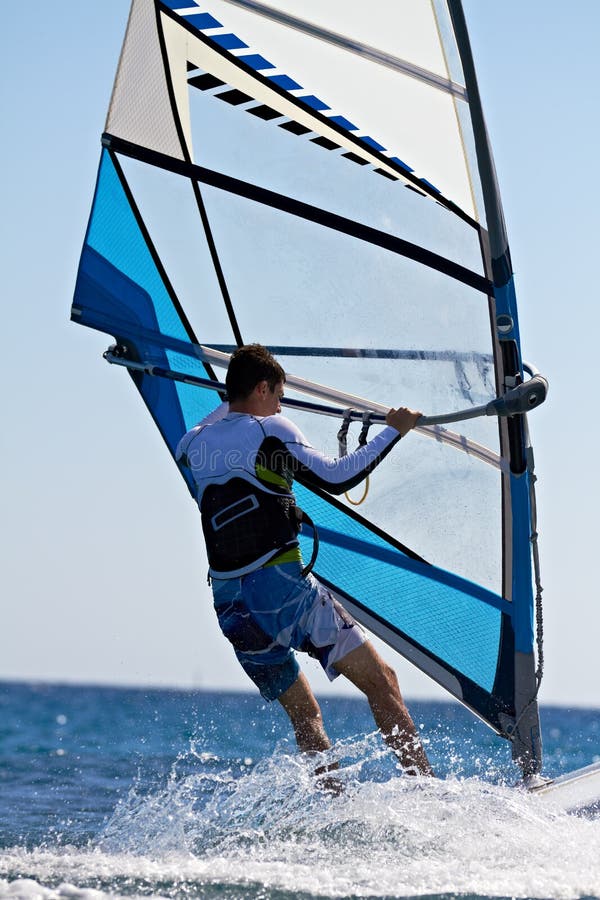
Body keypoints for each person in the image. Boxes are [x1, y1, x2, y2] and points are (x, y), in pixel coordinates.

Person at [176, 344, 433, 781]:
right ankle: (427, 794)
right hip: (279, 590)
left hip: (231, 607)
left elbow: (225, 423)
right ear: (261, 389)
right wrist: (394, 430)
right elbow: (338, 476)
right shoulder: (270, 430)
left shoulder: (192, 442)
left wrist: (237, 391)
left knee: (305, 713)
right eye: (279, 394)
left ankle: (332, 804)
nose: (281, 405)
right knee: (382, 681)